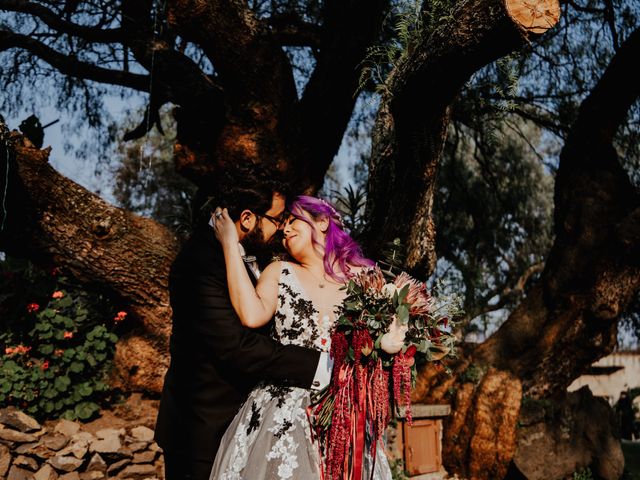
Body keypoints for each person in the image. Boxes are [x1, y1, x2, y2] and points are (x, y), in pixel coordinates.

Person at [154, 168, 333, 480]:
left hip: (247, 425)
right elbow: (237, 346)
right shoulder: (198, 262)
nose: (281, 229)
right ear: (248, 219)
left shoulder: (254, 259)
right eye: (277, 219)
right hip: (201, 431)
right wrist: (321, 366)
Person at [209, 195, 394, 479]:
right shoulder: (279, 272)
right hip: (283, 415)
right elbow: (251, 314)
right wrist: (230, 246)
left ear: (322, 222)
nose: (285, 230)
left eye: (293, 220)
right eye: (283, 225)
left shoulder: (365, 279)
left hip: (347, 417)